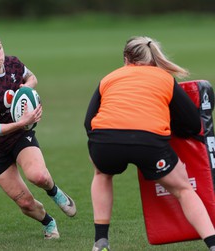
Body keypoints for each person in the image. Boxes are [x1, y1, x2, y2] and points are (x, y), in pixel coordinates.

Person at [84, 36, 215, 251]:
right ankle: (212, 244)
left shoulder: (109, 78)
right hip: (149, 143)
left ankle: (100, 242)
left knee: (102, 173)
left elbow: (89, 122)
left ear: (126, 58)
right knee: (183, 189)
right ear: (153, 57)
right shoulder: (164, 78)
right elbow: (192, 123)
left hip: (105, 141)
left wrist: (103, 145)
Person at [0, 26, 77, 239]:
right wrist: (23, 121)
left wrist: (26, 93)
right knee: (25, 203)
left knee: (38, 176)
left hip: (18, 136)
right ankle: (48, 222)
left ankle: (54, 192)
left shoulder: (13, 63)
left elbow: (32, 78)